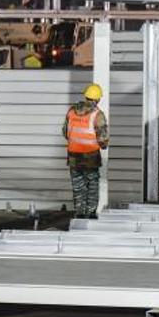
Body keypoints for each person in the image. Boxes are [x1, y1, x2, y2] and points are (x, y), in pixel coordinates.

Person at [62, 83, 109, 218]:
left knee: (78, 187)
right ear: (98, 99)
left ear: (86, 96)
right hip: (91, 157)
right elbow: (103, 138)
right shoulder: (97, 114)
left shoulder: (71, 111)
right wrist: (103, 145)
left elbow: (65, 132)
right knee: (92, 185)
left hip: (73, 156)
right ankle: (90, 214)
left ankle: (79, 213)